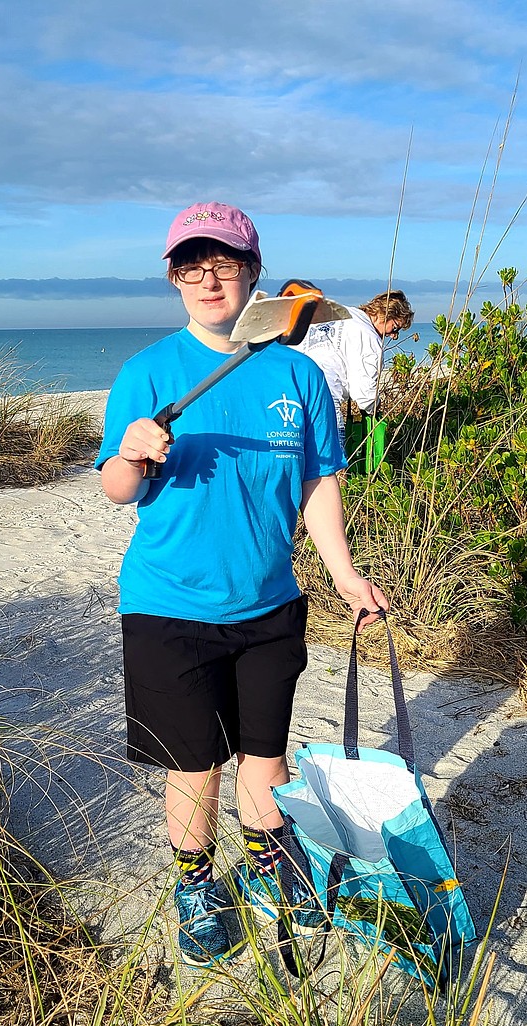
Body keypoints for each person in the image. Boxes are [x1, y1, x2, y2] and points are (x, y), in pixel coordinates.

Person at [96, 201, 389, 967]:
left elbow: (319, 482)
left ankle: (267, 866)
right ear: (174, 279)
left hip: (270, 603)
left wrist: (345, 573)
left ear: (253, 272)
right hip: (169, 606)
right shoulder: (148, 373)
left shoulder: (297, 373)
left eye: (224, 262)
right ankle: (196, 884)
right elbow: (116, 490)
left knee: (266, 756)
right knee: (196, 766)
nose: (209, 278)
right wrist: (133, 452)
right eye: (191, 265)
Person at [290, 288, 415, 446]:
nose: (394, 335)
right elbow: (365, 395)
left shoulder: (341, 312)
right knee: (330, 466)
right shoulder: (369, 338)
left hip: (288, 393)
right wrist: (377, 408)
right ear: (385, 314)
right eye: (395, 327)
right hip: (323, 401)